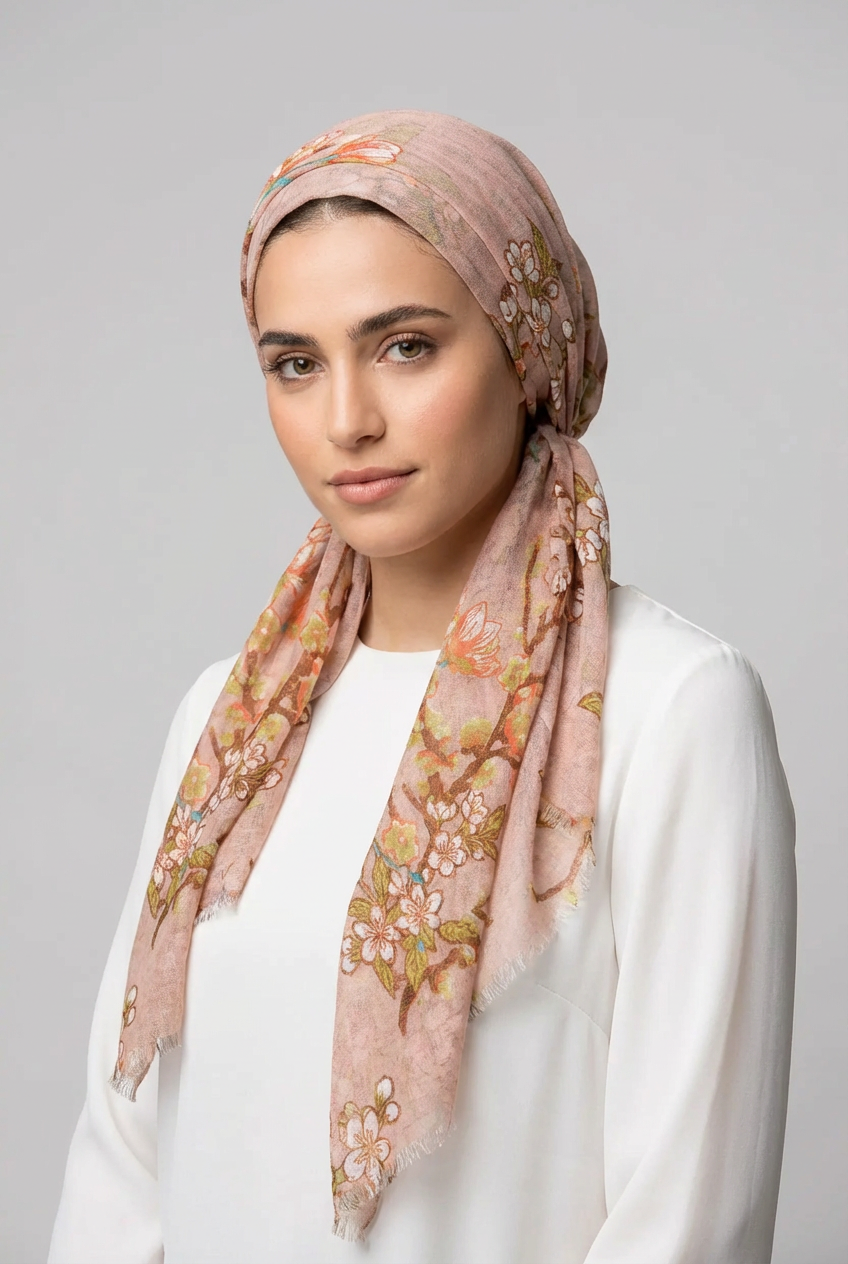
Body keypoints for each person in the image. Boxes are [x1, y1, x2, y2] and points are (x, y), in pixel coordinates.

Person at [48, 110, 796, 1264]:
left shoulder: (669, 710)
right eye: (295, 364)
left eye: (404, 346)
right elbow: (122, 1169)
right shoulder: (228, 720)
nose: (346, 419)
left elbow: (687, 1218)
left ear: (525, 348)